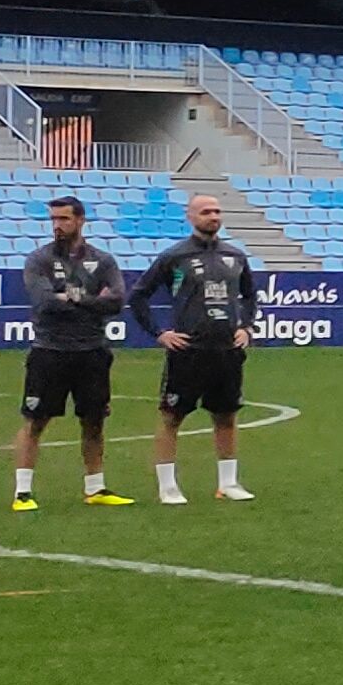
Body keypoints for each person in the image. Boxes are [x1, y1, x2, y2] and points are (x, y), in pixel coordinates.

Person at [134, 193, 263, 507]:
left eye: (218, 211)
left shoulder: (236, 256)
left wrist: (246, 327)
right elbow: (139, 295)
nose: (213, 216)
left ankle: (228, 482)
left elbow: (250, 296)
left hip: (226, 351)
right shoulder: (175, 257)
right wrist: (160, 333)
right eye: (206, 211)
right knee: (172, 416)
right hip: (188, 351)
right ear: (191, 217)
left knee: (226, 416)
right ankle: (167, 486)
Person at [11, 191, 130, 512]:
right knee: (36, 420)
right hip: (50, 350)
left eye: (64, 219)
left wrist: (73, 298)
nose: (57, 225)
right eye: (53, 219)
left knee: (94, 422)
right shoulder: (39, 260)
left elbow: (117, 301)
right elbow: (45, 302)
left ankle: (96, 487)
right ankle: (22, 492)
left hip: (92, 351)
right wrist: (91, 301)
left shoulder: (103, 260)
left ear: (80, 220)